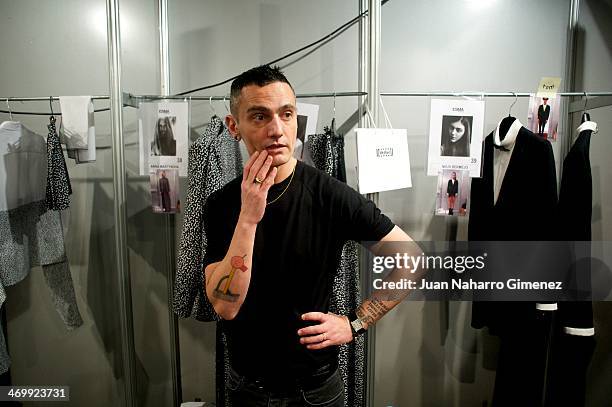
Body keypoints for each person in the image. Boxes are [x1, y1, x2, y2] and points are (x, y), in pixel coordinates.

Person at [202, 65, 419, 406]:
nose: (277, 129)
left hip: (314, 391)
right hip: (245, 387)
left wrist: (356, 322)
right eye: (259, 117)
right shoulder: (221, 205)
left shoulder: (330, 195)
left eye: (286, 114)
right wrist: (247, 219)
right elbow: (225, 307)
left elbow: (412, 260)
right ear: (234, 126)